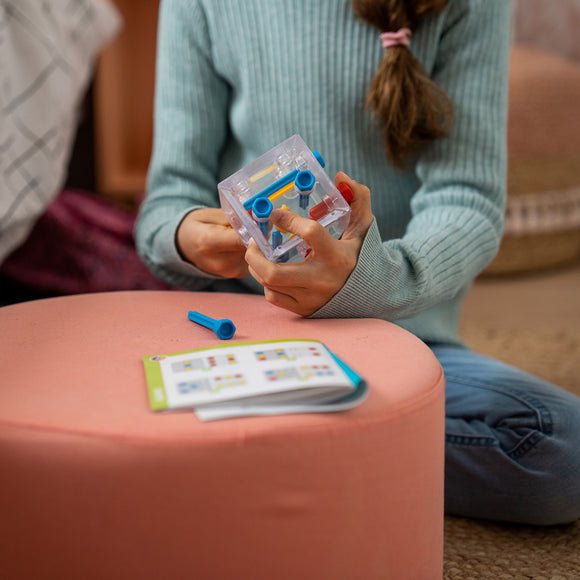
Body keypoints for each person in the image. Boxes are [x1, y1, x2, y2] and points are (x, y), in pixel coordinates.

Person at [135, 0, 580, 525]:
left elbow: (468, 202)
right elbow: (165, 203)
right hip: (241, 331)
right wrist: (187, 237)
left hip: (397, 328)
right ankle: (295, 450)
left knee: (559, 453)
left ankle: (236, 454)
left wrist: (375, 279)